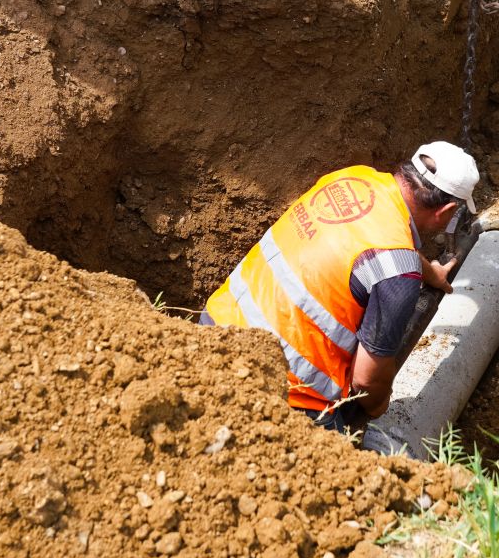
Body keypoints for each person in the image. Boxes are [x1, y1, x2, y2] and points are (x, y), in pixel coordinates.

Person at [199, 141, 479, 432]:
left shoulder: (351, 178)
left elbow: (368, 238)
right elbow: (366, 379)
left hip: (211, 335)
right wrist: (378, 405)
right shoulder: (398, 274)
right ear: (447, 210)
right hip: (278, 393)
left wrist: (427, 271)